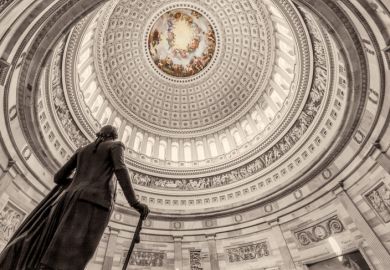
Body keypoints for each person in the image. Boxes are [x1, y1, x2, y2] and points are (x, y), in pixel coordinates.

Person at [0, 125, 149, 270]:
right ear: (113, 136)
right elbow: (120, 169)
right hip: (94, 204)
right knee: (75, 256)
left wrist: (77, 183)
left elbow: (58, 178)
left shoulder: (82, 150)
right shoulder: (116, 146)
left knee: (56, 251)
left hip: (67, 200)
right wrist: (135, 203)